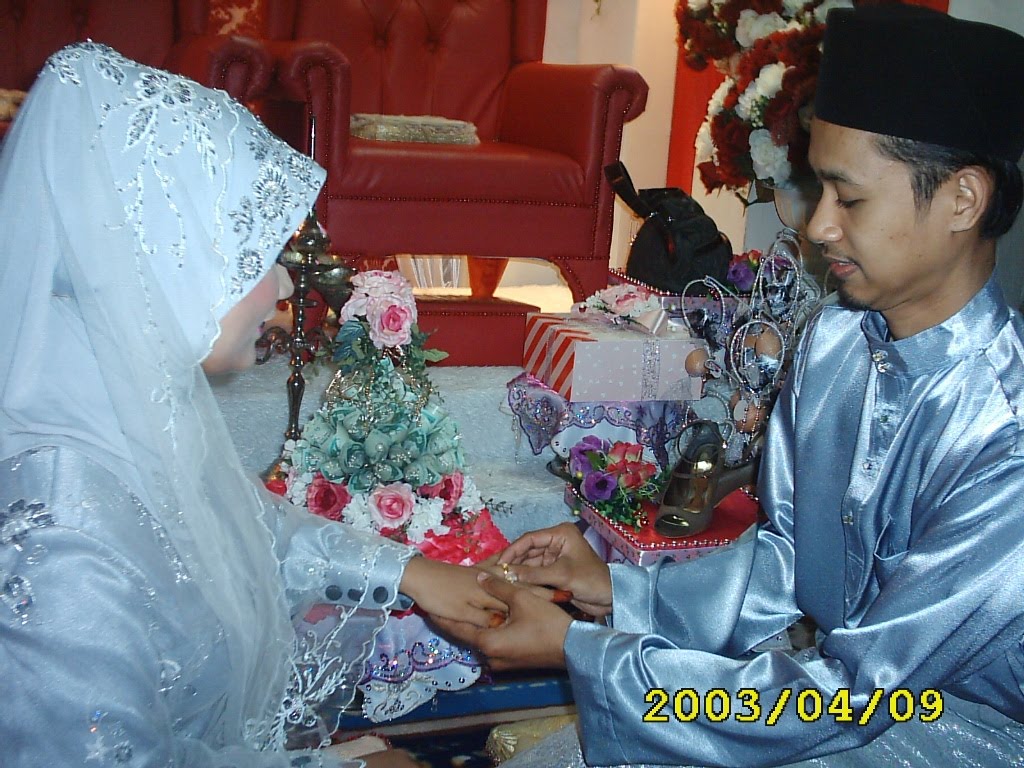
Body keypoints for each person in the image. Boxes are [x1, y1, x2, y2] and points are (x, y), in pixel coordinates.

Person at [434, 6, 1024, 766]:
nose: (818, 228)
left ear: (963, 201)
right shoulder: (839, 342)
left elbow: (865, 695)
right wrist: (619, 594)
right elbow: (782, 559)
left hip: (941, 736)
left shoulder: (1005, 434)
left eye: (850, 199)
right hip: (823, 702)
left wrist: (585, 653)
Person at [0, 43, 509, 767]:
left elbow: (237, 526)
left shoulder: (122, 403)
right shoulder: (59, 536)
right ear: (161, 258)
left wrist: (409, 574)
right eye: (251, 256)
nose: (279, 288)